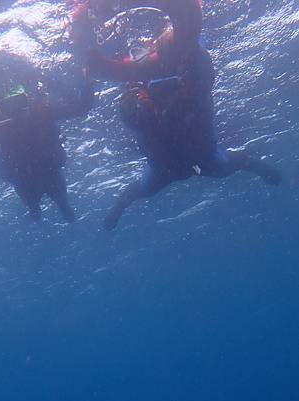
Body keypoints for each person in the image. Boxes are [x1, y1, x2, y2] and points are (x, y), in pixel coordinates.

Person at [71, 0, 281, 230]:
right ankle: (264, 169)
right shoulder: (147, 91)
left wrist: (85, 21)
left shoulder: (186, 76)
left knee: (219, 166)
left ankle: (263, 168)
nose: (164, 91)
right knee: (213, 168)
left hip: (185, 161)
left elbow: (189, 24)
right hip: (180, 163)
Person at [0, 78, 93, 222]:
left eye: (20, 102)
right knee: (35, 212)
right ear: (2, 110)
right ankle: (36, 210)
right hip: (24, 181)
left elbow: (82, 108)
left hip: (49, 173)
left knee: (66, 210)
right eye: (9, 107)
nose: (17, 111)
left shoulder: (43, 115)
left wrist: (63, 85)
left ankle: (53, 210)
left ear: (29, 102)